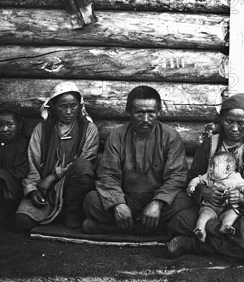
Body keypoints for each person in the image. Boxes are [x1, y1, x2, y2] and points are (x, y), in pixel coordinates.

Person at [167, 93, 244, 261]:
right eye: (229, 122)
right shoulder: (210, 144)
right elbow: (193, 176)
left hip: (241, 211)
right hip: (211, 208)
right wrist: (204, 192)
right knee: (182, 219)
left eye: (241, 123)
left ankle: (194, 244)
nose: (234, 128)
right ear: (222, 120)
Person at [82, 86, 194, 235]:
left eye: (151, 113)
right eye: (140, 113)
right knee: (91, 200)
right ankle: (151, 229)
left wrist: (158, 203)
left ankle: (110, 229)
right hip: (126, 198)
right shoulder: (117, 135)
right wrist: (117, 204)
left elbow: (177, 176)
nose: (146, 119)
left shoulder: (170, 137)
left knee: (184, 201)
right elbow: (107, 175)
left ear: (158, 112)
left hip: (157, 199)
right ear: (129, 111)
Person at [15, 82, 99, 231]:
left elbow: (87, 158)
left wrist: (53, 176)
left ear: (79, 106)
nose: (69, 111)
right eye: (63, 106)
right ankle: (52, 211)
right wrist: (33, 189)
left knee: (83, 166)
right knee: (22, 222)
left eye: (73, 106)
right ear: (53, 106)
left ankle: (72, 212)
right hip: (46, 189)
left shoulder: (88, 129)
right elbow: (33, 163)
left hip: (72, 186)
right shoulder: (42, 129)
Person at [187, 151, 244, 241]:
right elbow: (197, 179)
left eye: (213, 165)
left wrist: (243, 188)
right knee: (203, 214)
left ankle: (226, 226)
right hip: (210, 207)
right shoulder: (209, 176)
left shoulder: (235, 178)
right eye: (210, 165)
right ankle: (200, 230)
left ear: (227, 168)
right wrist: (192, 186)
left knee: (233, 212)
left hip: (227, 208)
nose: (210, 168)